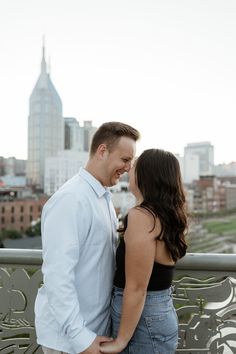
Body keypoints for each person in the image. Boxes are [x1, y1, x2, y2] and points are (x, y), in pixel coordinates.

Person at [34, 122, 140, 354]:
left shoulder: (103, 198)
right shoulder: (71, 199)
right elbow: (57, 277)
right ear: (102, 151)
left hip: (95, 333)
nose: (128, 167)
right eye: (125, 159)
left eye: (131, 162)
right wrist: (81, 339)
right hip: (70, 341)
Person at [100, 148, 188, 354]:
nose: (129, 169)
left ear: (146, 175)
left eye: (135, 165)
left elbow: (137, 287)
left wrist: (120, 341)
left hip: (142, 322)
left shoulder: (142, 217)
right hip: (157, 313)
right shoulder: (165, 215)